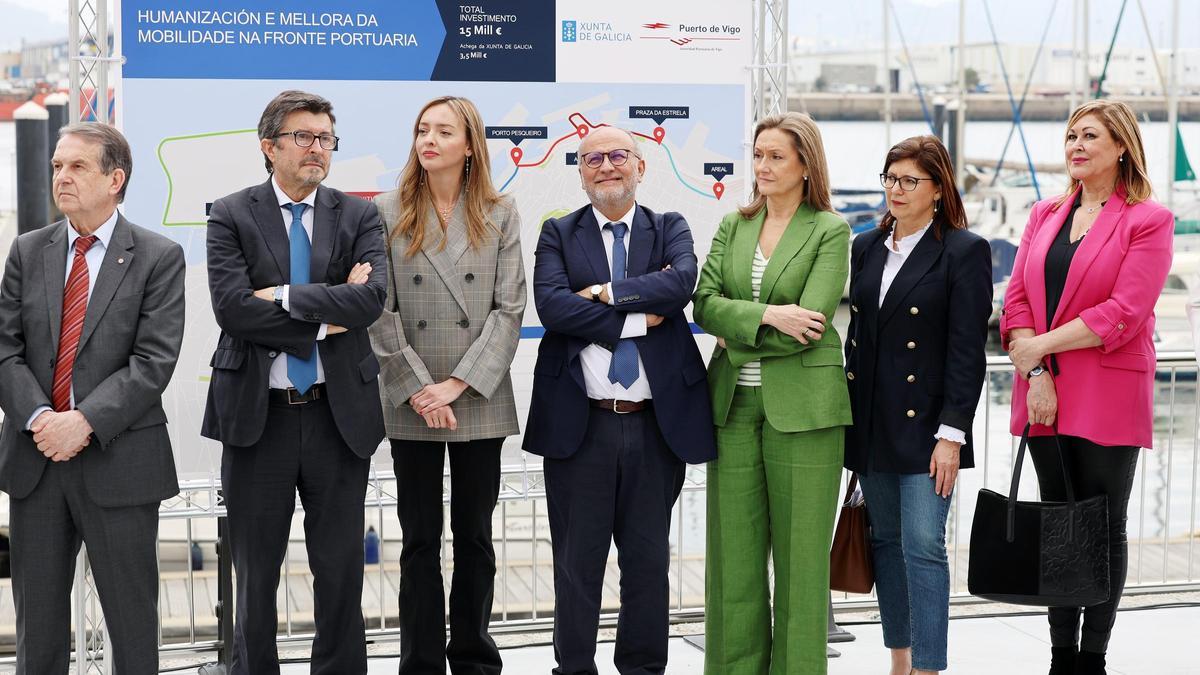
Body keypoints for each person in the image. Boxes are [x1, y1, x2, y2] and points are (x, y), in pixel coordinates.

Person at [202, 90, 388, 674]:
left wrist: (281, 297)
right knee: (255, 573)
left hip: (339, 418)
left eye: (325, 139)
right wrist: (327, 315)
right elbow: (233, 310)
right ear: (269, 147)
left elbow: (371, 300)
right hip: (261, 420)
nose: (317, 149)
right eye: (303, 137)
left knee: (340, 570)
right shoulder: (231, 213)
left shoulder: (360, 214)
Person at [524, 125, 716, 675]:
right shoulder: (558, 233)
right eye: (592, 159)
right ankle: (574, 669)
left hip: (656, 427)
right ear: (580, 171)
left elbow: (680, 286)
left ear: (639, 166)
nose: (605, 166)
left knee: (649, 564)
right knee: (577, 565)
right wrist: (637, 315)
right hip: (580, 427)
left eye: (616, 156)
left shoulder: (670, 227)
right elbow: (555, 308)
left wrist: (606, 294)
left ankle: (642, 668)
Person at [0, 122, 185, 673]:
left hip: (120, 464)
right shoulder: (27, 251)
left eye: (77, 166)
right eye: (57, 166)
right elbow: (5, 351)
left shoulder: (158, 255)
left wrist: (81, 421)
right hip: (36, 465)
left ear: (115, 179)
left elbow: (154, 361)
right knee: (38, 637)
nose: (62, 177)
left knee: (132, 631)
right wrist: (39, 419)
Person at [1001, 99, 1173, 675]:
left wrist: (1040, 351)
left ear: (1121, 146)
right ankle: (1060, 656)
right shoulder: (1043, 214)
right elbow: (1017, 301)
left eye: (1089, 136)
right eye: (1071, 135)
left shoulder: (1147, 219)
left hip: (1109, 390)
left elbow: (1124, 311)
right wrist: (1035, 374)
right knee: (1058, 521)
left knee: (1101, 525)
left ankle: (1092, 659)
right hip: (1043, 390)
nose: (1075, 145)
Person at [369, 95, 525, 675]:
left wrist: (456, 385)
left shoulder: (501, 210)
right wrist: (417, 386)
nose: (427, 140)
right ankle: (421, 662)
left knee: (476, 539)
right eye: (421, 130)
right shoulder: (386, 210)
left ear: (469, 144)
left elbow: (509, 310)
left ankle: (475, 658)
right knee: (417, 543)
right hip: (413, 398)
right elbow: (377, 310)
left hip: (476, 398)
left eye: (443, 131)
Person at [691, 111, 851, 675]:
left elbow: (811, 323)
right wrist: (767, 316)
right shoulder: (733, 226)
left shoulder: (830, 230)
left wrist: (740, 332)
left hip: (806, 414)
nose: (762, 166)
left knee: (801, 566)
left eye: (776, 156)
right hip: (732, 408)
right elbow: (702, 303)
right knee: (732, 562)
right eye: (758, 155)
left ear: (806, 164)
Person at [843, 135, 992, 675]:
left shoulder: (963, 250)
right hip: (870, 423)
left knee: (924, 546)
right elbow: (857, 337)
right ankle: (900, 661)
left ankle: (929, 668)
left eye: (910, 180)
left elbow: (966, 352)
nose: (896, 190)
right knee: (884, 541)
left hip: (929, 430)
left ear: (937, 189)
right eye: (890, 178)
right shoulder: (865, 246)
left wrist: (952, 435)